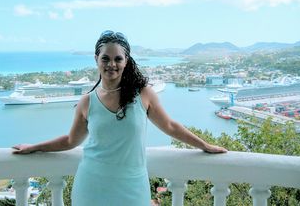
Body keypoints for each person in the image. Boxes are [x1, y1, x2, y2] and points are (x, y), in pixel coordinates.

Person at [12, 30, 227, 206]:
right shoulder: (87, 102)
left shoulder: (143, 94)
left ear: (126, 61)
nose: (111, 64)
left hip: (133, 186)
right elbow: (70, 141)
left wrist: (205, 145)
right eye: (105, 58)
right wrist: (34, 147)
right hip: (92, 186)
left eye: (118, 58)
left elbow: (171, 126)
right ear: (96, 59)